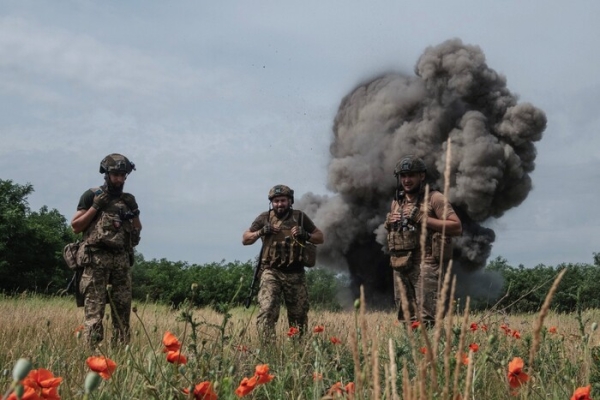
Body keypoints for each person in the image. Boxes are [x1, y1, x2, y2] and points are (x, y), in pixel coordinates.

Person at [70, 153, 142, 347]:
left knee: (122, 314)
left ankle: (120, 355)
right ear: (107, 174)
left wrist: (135, 213)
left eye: (122, 175)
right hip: (96, 261)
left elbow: (137, 230)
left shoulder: (128, 200)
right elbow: (76, 226)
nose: (119, 179)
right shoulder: (92, 195)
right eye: (115, 174)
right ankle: (92, 356)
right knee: (94, 313)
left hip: (121, 261)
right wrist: (95, 207)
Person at [385, 155, 462, 325]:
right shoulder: (397, 202)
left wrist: (422, 218)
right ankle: (411, 350)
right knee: (406, 317)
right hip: (401, 264)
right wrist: (390, 222)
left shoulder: (435, 198)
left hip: (426, 264)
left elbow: (456, 227)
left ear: (422, 176)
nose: (407, 180)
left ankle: (430, 351)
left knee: (428, 319)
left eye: (411, 175)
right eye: (403, 176)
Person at [242, 184, 324, 339]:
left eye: (283, 200)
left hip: (295, 273)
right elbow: (245, 239)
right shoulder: (264, 218)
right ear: (272, 202)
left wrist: (305, 234)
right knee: (267, 310)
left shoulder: (299, 217)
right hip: (271, 271)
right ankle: (267, 350)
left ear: (290, 201)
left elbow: (320, 237)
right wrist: (260, 232)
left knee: (298, 315)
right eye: (276, 201)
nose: (279, 204)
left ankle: (298, 352)